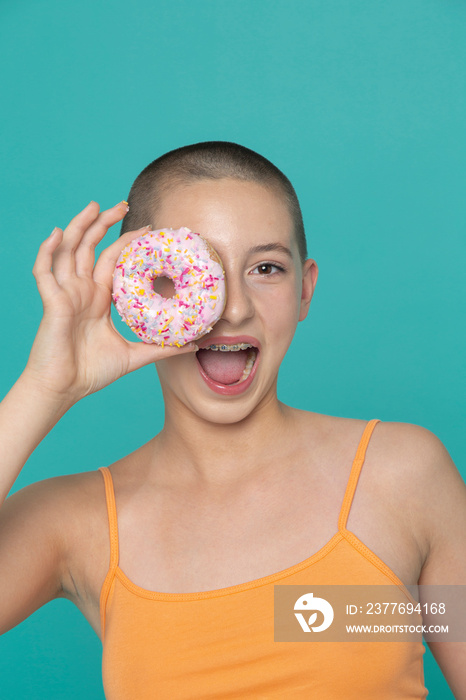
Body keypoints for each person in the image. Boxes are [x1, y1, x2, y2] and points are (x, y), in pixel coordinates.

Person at [0, 141, 465, 699]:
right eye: (194, 271)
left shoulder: (402, 475)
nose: (232, 307)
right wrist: (45, 387)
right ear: (131, 290)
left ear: (304, 290)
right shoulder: (74, 521)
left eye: (266, 268)